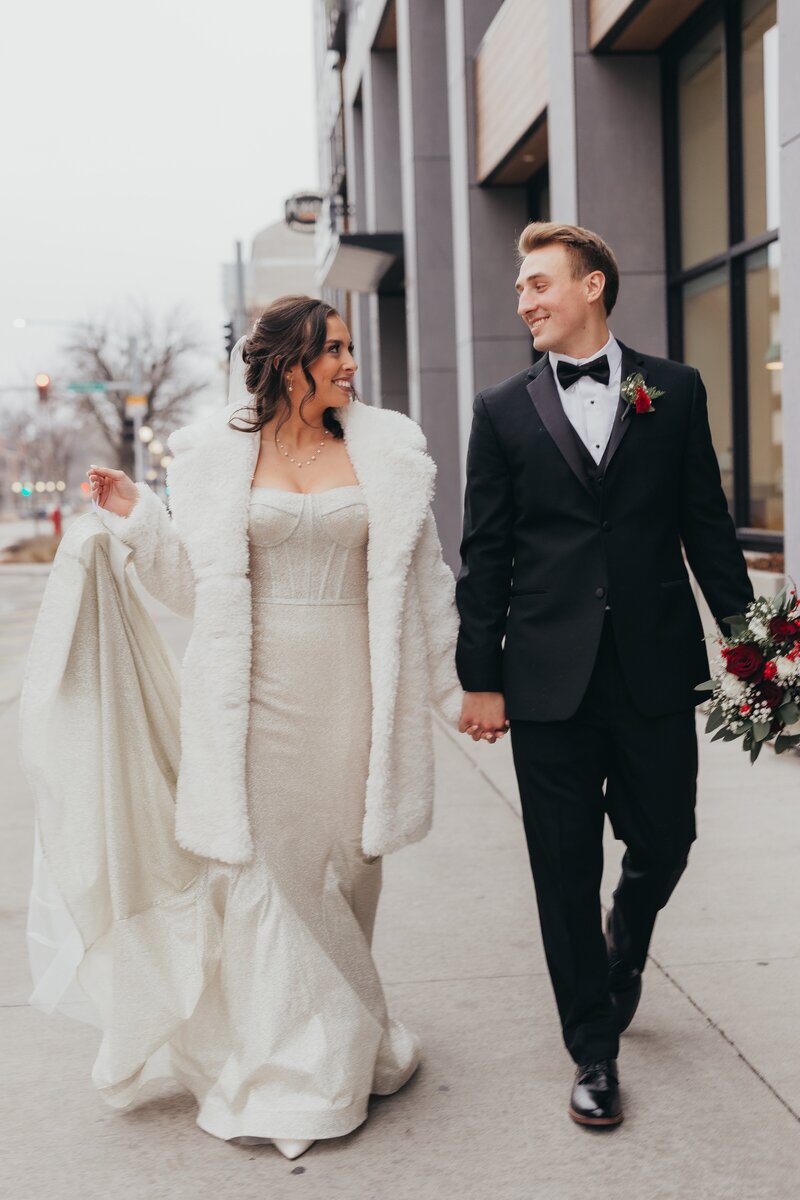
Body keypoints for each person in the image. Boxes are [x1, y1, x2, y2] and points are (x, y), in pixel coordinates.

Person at [22, 295, 462, 1160]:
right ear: (286, 361)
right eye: (332, 350)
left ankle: (351, 1034)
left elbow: (428, 582)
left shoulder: (388, 448)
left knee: (345, 873)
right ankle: (295, 1072)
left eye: (349, 348)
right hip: (256, 699)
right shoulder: (217, 458)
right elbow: (195, 586)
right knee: (269, 877)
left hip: (358, 694)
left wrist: (457, 690)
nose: (349, 364)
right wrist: (140, 519)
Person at [455, 223, 754, 1128]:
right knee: (560, 866)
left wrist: (757, 646)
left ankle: (624, 944)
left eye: (538, 284)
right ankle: (592, 1049)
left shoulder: (675, 388)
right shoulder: (501, 410)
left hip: (654, 667)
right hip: (544, 677)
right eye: (518, 289)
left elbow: (706, 522)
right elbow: (487, 553)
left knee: (666, 840)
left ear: (591, 286)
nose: (524, 301)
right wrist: (480, 676)